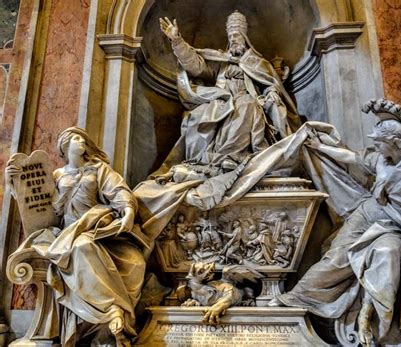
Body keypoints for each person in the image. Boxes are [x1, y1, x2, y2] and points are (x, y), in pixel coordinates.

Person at [268, 99, 401, 345]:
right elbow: (352, 158)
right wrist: (320, 147)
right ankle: (296, 298)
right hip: (367, 214)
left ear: (395, 143)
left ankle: (374, 322)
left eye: (379, 142)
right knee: (336, 257)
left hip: (396, 228)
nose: (375, 146)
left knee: (383, 255)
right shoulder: (381, 159)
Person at [6, 127, 146, 346]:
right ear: (65, 146)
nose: (81, 141)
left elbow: (118, 191)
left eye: (82, 138)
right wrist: (12, 182)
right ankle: (112, 309)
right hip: (67, 231)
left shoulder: (99, 169)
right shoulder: (57, 176)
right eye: (75, 138)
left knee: (102, 251)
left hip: (94, 225)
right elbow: (35, 203)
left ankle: (112, 309)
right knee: (79, 247)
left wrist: (128, 210)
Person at [158, 11, 300, 173]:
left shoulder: (257, 62)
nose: (233, 39)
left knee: (245, 103)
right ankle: (202, 160)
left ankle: (231, 156)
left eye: (236, 36)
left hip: (249, 100)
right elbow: (196, 67)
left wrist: (272, 91)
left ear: (245, 39)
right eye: (230, 36)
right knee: (197, 115)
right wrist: (177, 42)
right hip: (222, 101)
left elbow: (269, 83)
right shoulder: (222, 62)